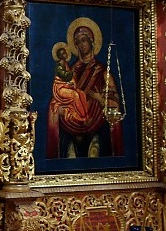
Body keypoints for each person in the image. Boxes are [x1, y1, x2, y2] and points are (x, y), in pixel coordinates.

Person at [47, 22, 123, 158]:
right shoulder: (70, 71)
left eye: (84, 40)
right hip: (70, 127)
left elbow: (114, 102)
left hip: (97, 127)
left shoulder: (103, 72)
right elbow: (60, 95)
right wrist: (58, 108)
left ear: (92, 41)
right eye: (77, 42)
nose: (81, 45)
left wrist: (98, 98)